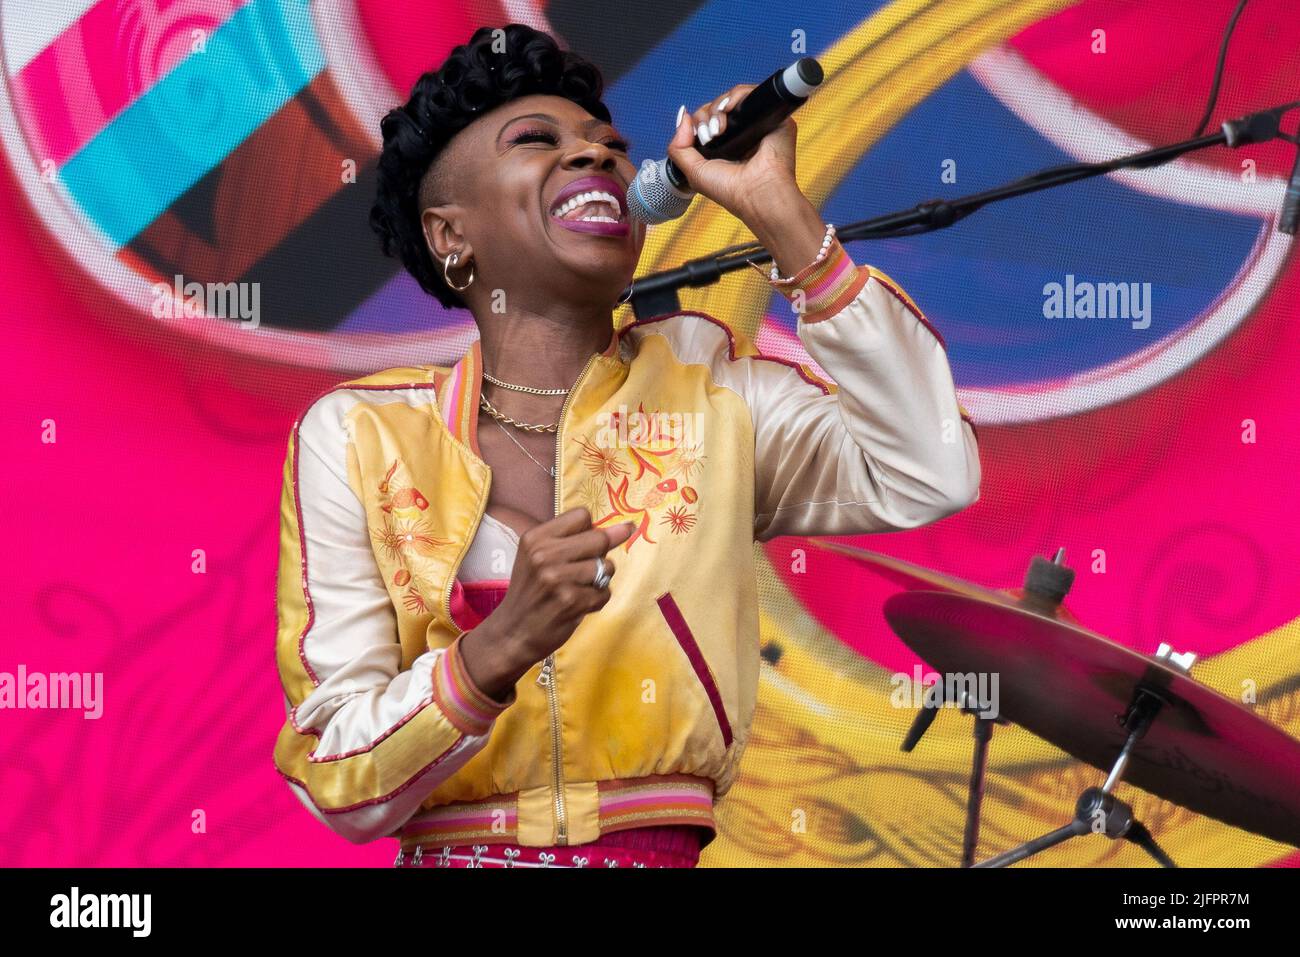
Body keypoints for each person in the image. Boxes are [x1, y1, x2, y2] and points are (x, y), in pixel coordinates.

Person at [272, 23, 981, 868]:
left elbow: (929, 467)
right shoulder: (359, 434)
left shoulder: (713, 387)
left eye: (609, 145)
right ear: (449, 235)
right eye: (538, 141)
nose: (595, 156)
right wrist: (496, 650)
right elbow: (338, 773)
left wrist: (786, 218)